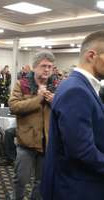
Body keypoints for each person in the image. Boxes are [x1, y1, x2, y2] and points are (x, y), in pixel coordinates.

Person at [41, 30, 104, 200]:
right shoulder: (77, 89)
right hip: (76, 187)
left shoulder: (83, 86)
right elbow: (81, 151)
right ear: (92, 56)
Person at [8, 50, 57, 200]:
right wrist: (39, 99)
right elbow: (14, 106)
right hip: (26, 142)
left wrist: (54, 101)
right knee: (20, 180)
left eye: (50, 66)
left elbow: (64, 111)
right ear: (35, 67)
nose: (47, 69)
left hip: (47, 143)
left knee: (41, 182)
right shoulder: (21, 84)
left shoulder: (56, 85)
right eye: (43, 66)